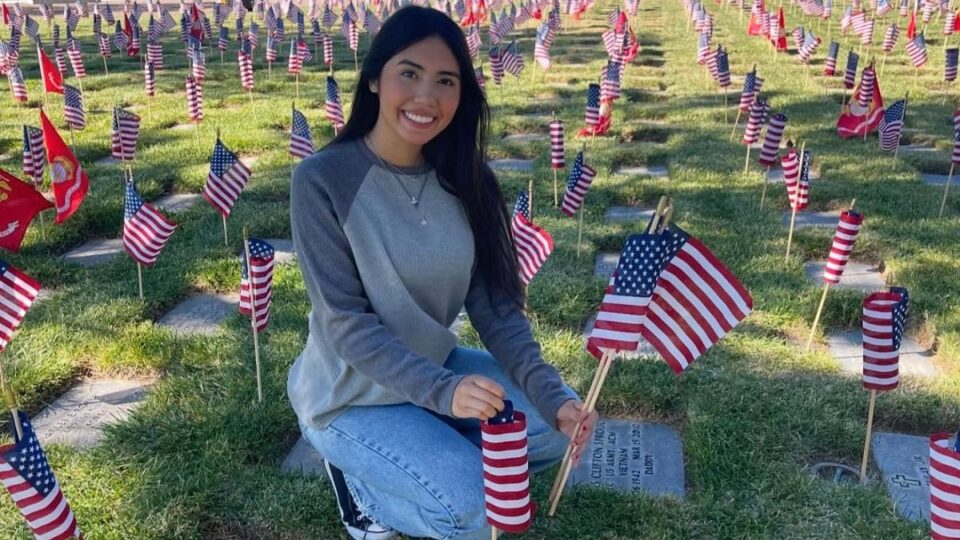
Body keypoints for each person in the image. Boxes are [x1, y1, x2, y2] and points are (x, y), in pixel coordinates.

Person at [287, 7, 598, 539]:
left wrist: (553, 396)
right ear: (374, 79)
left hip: (432, 368)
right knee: (478, 513)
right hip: (349, 393)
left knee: (551, 436)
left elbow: (497, 309)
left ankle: (427, 450)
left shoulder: (469, 181)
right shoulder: (322, 180)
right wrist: (445, 392)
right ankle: (362, 493)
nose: (426, 97)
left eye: (445, 81)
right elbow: (346, 324)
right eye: (409, 73)